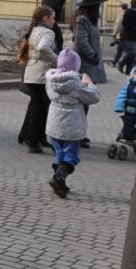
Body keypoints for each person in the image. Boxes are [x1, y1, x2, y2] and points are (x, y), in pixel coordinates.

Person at [44, 47, 99, 198]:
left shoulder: (50, 80)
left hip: (54, 124)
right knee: (71, 156)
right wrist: (90, 84)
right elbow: (93, 97)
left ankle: (60, 183)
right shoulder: (76, 84)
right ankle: (58, 177)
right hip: (71, 127)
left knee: (60, 154)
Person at [15, 3, 58, 156]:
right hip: (41, 75)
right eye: (53, 18)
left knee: (36, 107)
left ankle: (37, 138)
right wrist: (57, 60)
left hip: (31, 73)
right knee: (43, 109)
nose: (55, 21)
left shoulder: (34, 30)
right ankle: (34, 141)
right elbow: (43, 48)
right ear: (46, 18)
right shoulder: (48, 33)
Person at [72, 0, 108, 144]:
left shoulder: (89, 20)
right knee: (82, 101)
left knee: (85, 102)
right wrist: (93, 55)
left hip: (90, 66)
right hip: (85, 66)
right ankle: (76, 134)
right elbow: (81, 41)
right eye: (98, 5)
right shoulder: (82, 20)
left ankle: (79, 133)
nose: (99, 8)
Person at [113, 0, 136, 74]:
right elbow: (125, 23)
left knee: (132, 56)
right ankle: (121, 63)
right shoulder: (129, 12)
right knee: (133, 53)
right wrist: (134, 29)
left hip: (133, 37)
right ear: (135, 4)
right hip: (127, 37)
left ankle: (128, 71)